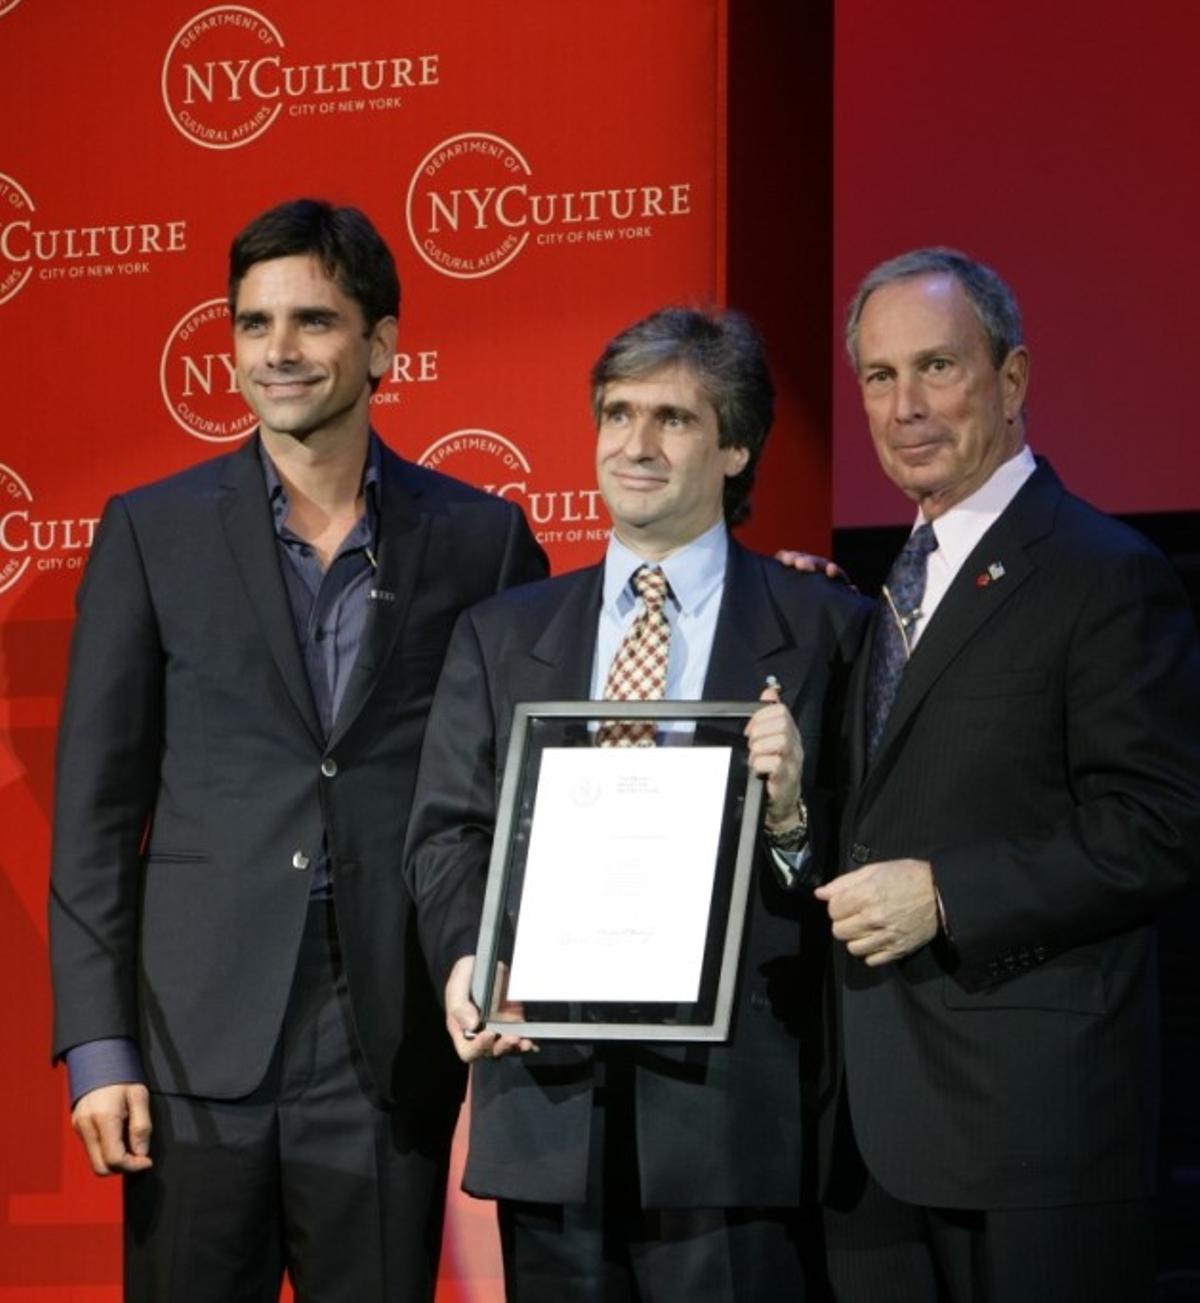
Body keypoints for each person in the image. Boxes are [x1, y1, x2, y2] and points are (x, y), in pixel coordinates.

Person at [48, 197, 547, 1302]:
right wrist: (96, 1045)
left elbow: (536, 788)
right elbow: (91, 809)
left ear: (381, 346)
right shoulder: (152, 531)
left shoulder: (483, 539)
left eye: (313, 322)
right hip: (191, 1039)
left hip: (386, 1032)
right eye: (253, 323)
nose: (278, 351)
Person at [405, 306, 869, 1302]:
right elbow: (449, 833)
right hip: (548, 1101)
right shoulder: (500, 634)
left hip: (733, 1120)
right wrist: (467, 961)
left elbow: (857, 855)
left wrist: (789, 822)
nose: (635, 445)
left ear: (736, 446)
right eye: (617, 414)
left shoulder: (829, 631)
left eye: (674, 418)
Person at [814, 247, 1200, 1302]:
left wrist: (945, 892)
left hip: (1035, 1142)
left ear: (1014, 379)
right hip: (871, 1140)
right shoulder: (883, 591)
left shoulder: (1103, 573)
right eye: (880, 378)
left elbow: (1161, 824)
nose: (906, 408)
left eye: (937, 367)